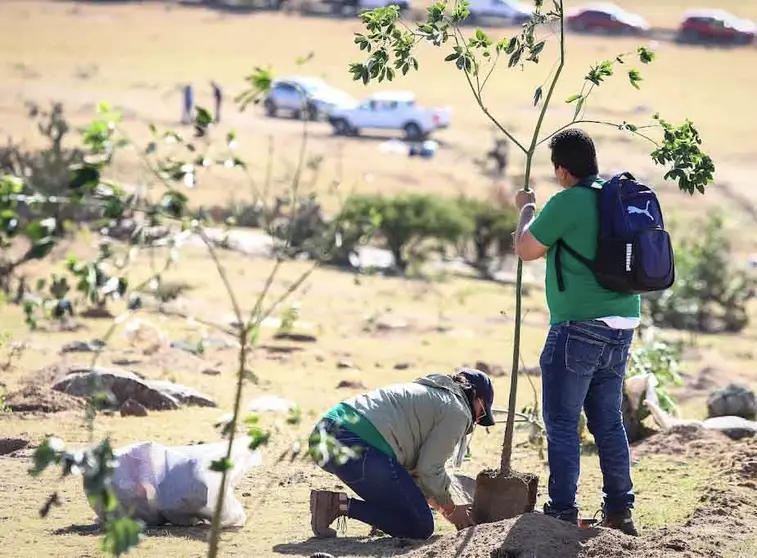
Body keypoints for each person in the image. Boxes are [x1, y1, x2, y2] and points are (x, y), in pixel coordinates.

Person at [512, 128, 640, 536]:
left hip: (578, 325)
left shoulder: (568, 201)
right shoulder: (614, 196)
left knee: (563, 422)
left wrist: (526, 209)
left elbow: (526, 249)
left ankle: (562, 512)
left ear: (562, 171)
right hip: (622, 323)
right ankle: (620, 510)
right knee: (608, 422)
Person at [307, 368, 496, 539]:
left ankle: (377, 518)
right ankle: (336, 505)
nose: (478, 419)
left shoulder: (432, 394)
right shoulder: (458, 411)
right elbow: (429, 469)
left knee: (412, 502)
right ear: (477, 399)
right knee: (419, 526)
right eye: (482, 413)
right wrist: (450, 508)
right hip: (354, 441)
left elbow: (414, 475)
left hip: (324, 436)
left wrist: (441, 506)